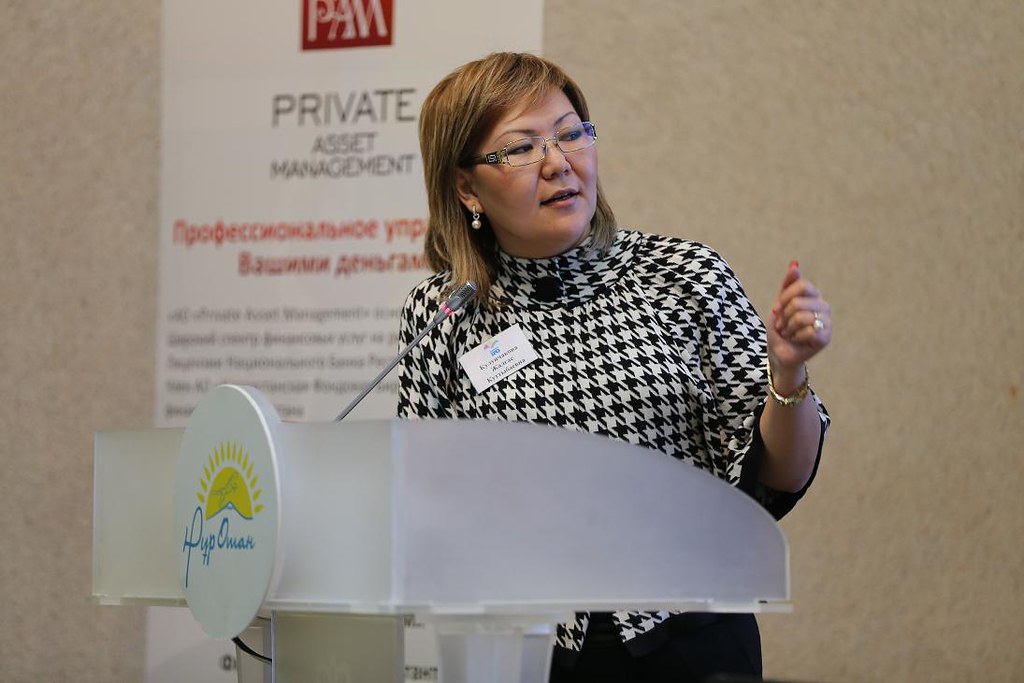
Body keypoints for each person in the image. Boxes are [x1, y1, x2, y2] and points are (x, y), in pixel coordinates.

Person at [396, 52, 832, 683]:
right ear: (467, 188)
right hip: (526, 648)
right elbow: (425, 499)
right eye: (521, 148)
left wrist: (788, 375)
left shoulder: (683, 277)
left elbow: (779, 477)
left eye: (570, 133)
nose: (557, 162)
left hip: (688, 638)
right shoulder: (443, 311)